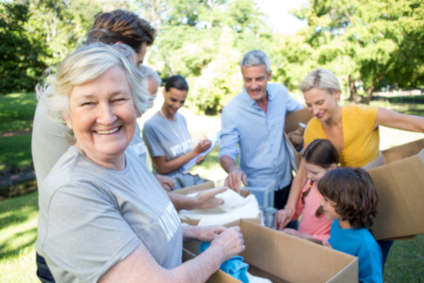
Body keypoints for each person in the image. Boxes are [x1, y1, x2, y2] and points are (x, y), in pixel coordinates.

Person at [36, 43, 244, 283]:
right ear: (67, 116)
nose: (106, 117)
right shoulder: (72, 192)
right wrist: (219, 252)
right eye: (88, 103)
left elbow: (142, 230)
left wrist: (194, 232)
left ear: (135, 104)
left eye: (118, 99)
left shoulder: (125, 157)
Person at [275, 68, 424, 263]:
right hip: (341, 213)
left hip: (374, 202)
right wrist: (288, 208)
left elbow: (415, 124)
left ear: (336, 94)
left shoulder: (364, 115)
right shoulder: (312, 128)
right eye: (309, 105)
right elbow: (303, 172)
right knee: (344, 264)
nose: (315, 111)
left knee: (373, 259)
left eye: (320, 102)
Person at [32, 9, 156, 188]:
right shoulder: (73, 94)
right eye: (139, 62)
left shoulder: (75, 85)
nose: (138, 71)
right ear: (121, 50)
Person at [219, 49, 303, 209]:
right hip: (256, 190)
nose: (254, 85)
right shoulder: (232, 110)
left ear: (269, 76)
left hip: (287, 183)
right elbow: (226, 152)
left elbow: (302, 116)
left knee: (290, 231)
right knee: (263, 233)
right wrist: (233, 169)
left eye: (259, 79)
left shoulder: (280, 93)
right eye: (248, 80)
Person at [143, 75, 212, 189]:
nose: (177, 105)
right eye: (173, 100)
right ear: (164, 92)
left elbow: (184, 156)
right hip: (169, 186)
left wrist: (197, 158)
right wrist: (195, 152)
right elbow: (162, 168)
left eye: (182, 101)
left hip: (186, 180)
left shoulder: (181, 119)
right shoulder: (152, 126)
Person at [318, 167, 382, 283]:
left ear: (346, 203)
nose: (321, 203)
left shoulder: (366, 246)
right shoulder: (336, 224)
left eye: (326, 200)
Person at [279, 139, 338, 244]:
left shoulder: (338, 197)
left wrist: (302, 237)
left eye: (315, 172)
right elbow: (296, 211)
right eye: (307, 171)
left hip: (319, 249)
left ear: (332, 168)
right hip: (302, 242)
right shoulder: (310, 184)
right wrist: (285, 214)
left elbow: (334, 238)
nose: (309, 176)